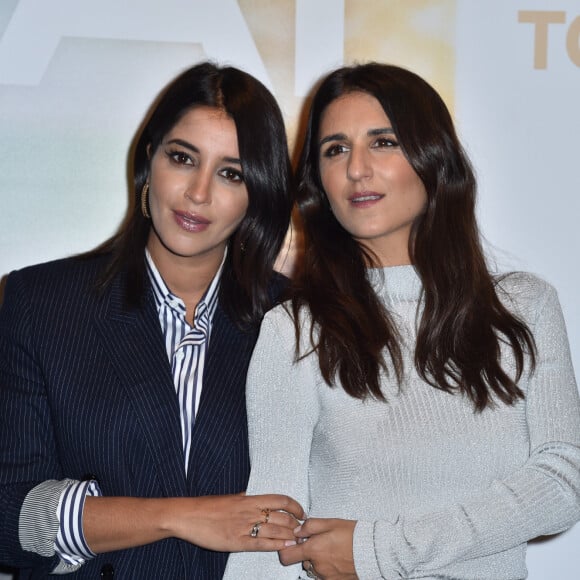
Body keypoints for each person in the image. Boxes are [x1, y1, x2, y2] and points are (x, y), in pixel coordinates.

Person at [223, 62, 580, 579]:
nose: (357, 169)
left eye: (384, 142)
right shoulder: (294, 331)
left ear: (434, 158)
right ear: (318, 182)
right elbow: (273, 530)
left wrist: (376, 550)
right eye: (335, 149)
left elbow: (563, 482)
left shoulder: (524, 308)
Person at [0, 61, 304, 579]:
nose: (199, 193)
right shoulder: (41, 303)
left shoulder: (296, 321)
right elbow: (10, 518)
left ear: (257, 194)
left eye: (230, 173)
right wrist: (178, 517)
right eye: (183, 158)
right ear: (149, 161)